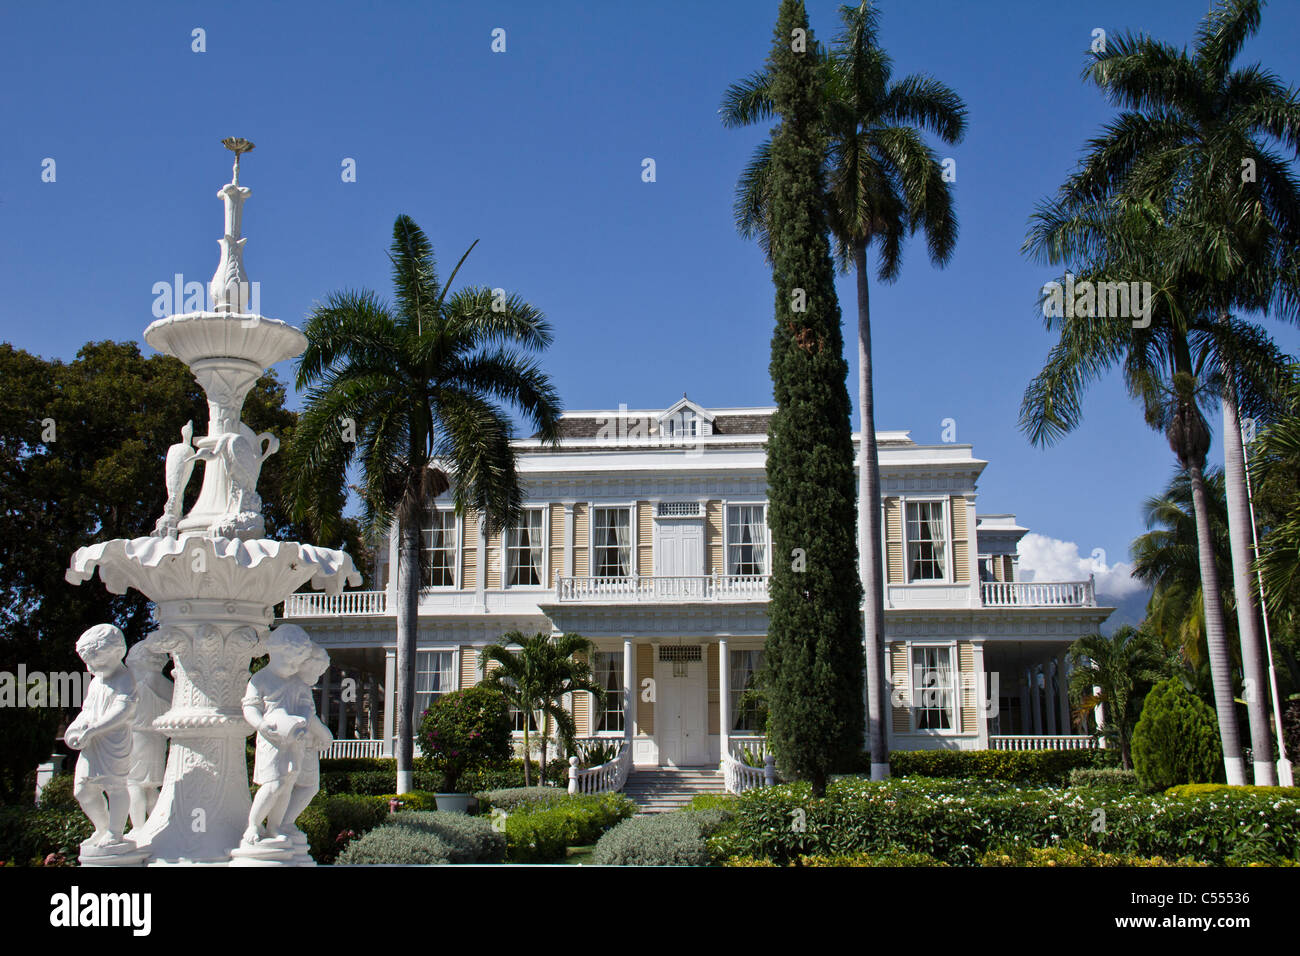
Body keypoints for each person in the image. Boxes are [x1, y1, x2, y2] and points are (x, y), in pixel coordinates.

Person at [65, 624, 137, 851]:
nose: (93, 667)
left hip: (113, 740)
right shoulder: (97, 681)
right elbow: (87, 710)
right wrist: (75, 728)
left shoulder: (125, 678)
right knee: (82, 789)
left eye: (98, 662)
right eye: (89, 663)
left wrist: (94, 729)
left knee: (115, 786)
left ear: (117, 651)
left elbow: (123, 710)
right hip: (92, 740)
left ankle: (115, 832)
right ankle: (102, 828)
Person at [241, 625, 312, 845]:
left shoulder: (298, 682)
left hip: (294, 740)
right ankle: (253, 824)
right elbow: (250, 707)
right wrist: (260, 725)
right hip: (272, 739)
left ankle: (274, 826)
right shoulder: (260, 679)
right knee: (273, 784)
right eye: (290, 662)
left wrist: (303, 721)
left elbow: (307, 706)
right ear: (275, 652)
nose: (294, 667)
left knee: (287, 784)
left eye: (297, 663)